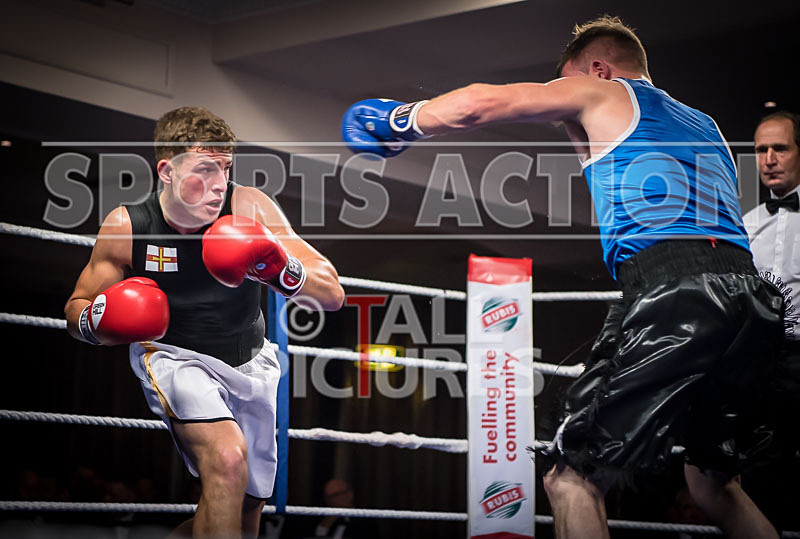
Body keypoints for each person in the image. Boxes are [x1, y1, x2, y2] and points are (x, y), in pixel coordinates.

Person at [340, 15, 783, 539]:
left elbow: (477, 103)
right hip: (752, 302)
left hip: (674, 292)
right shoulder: (704, 124)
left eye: (567, 84)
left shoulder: (604, 93)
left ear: (597, 69)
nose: (565, 110)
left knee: (569, 474)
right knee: (714, 484)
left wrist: (403, 120)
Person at [65, 106, 345, 538]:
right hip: (176, 357)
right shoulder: (129, 226)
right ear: (167, 170)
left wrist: (282, 271)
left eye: (226, 168)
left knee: (247, 511)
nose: (219, 184)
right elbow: (76, 308)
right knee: (227, 458)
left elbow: (332, 293)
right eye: (205, 169)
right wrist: (98, 320)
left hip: (250, 362)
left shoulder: (248, 206)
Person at [742, 111, 800, 530]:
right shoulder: (745, 225)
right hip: (760, 363)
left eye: (780, 147)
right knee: (760, 470)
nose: (769, 159)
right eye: (762, 149)